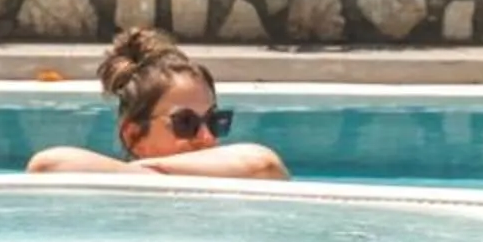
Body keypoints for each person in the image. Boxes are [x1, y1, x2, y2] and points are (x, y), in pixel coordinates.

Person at [27, 28, 290, 180]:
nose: (207, 136)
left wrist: (153, 169)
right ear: (134, 135)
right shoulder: (112, 193)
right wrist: (141, 177)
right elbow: (46, 165)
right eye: (185, 123)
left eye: (214, 121)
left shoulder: (228, 189)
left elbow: (263, 164)